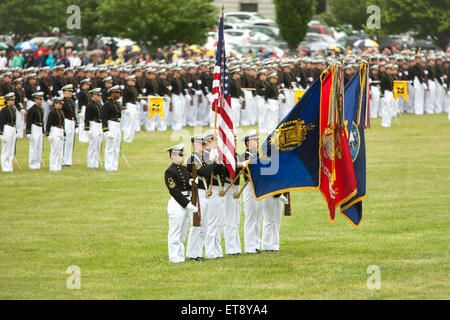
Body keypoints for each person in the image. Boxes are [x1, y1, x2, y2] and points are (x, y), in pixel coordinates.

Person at [164, 144, 198, 263]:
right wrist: (187, 204)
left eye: (183, 154)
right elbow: (174, 191)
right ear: (173, 156)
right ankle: (174, 257)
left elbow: (187, 185)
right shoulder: (169, 171)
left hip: (188, 199)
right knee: (175, 231)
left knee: (183, 231)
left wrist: (192, 182)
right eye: (180, 155)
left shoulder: (184, 169)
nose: (182, 157)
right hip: (178, 203)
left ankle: (180, 256)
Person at [102, 85, 122, 171]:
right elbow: (104, 117)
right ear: (112, 93)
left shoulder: (117, 103)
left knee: (116, 146)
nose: (118, 94)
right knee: (110, 147)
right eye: (116, 93)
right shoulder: (107, 104)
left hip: (117, 125)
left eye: (119, 93)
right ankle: (108, 166)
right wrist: (106, 130)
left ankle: (114, 166)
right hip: (111, 125)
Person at [84, 88, 103, 169]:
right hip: (93, 125)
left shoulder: (99, 104)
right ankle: (90, 163)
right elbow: (86, 118)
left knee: (98, 145)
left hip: (99, 125)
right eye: (98, 95)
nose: (99, 97)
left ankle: (95, 163)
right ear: (93, 95)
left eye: (100, 95)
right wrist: (88, 130)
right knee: (93, 145)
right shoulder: (90, 105)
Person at [26, 91, 45, 169]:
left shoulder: (41, 109)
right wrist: (28, 132)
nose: (41, 100)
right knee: (34, 146)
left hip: (39, 128)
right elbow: (29, 121)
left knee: (39, 146)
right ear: (35, 99)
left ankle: (37, 163)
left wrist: (43, 130)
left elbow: (42, 121)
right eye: (39, 99)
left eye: (41, 99)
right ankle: (32, 164)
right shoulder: (32, 109)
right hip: (34, 127)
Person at [46, 96, 65, 172]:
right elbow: (48, 124)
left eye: (61, 104)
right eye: (59, 104)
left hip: (61, 130)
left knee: (60, 149)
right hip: (55, 130)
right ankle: (53, 166)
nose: (61, 105)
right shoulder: (52, 112)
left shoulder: (61, 112)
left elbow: (63, 123)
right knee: (54, 149)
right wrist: (48, 134)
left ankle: (58, 165)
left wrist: (64, 133)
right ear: (55, 104)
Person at [0, 92, 17, 172]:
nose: (13, 101)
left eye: (13, 100)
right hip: (6, 128)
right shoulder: (4, 110)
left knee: (11, 149)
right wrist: (1, 134)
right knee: (6, 149)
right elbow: (1, 122)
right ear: (7, 100)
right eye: (11, 100)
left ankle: (9, 166)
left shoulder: (13, 109)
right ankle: (5, 167)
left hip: (12, 128)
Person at [61, 84, 77, 167]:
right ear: (64, 92)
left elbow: (74, 113)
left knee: (71, 142)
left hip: (71, 122)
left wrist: (76, 123)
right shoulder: (62, 101)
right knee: (65, 141)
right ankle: (63, 160)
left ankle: (68, 160)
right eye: (69, 91)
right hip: (66, 121)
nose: (71, 93)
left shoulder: (71, 101)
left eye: (71, 91)